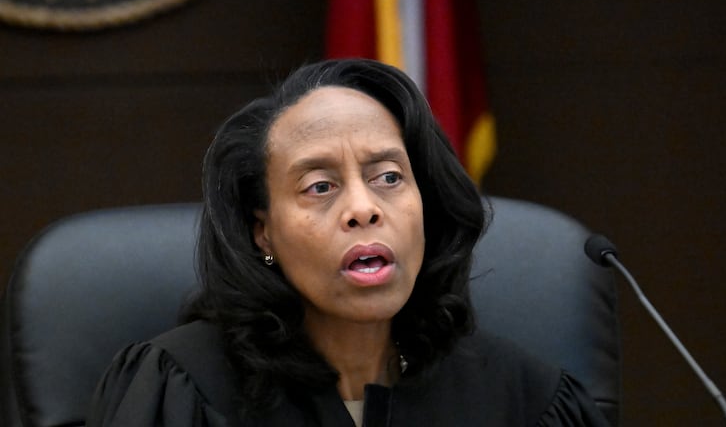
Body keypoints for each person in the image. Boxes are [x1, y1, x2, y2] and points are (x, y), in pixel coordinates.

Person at [87, 58, 610, 426]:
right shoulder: (183, 389)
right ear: (261, 229)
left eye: (387, 176)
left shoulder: (523, 399)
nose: (364, 208)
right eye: (320, 187)